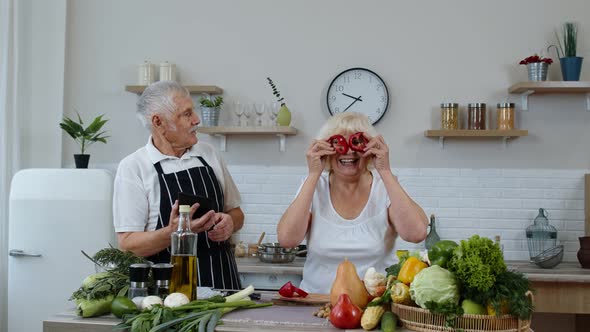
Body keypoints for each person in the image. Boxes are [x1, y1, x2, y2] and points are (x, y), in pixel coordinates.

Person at [277, 112, 427, 294]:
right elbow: (287, 239)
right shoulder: (314, 186)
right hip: (315, 303)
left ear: (370, 149)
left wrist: (385, 170)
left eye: (357, 143)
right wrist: (313, 174)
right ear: (326, 149)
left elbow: (417, 233)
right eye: (338, 143)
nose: (348, 150)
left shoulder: (385, 186)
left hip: (373, 306)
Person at [113, 81, 243, 289]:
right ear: (159, 122)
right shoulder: (134, 167)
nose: (196, 120)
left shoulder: (209, 154)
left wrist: (230, 223)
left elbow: (236, 213)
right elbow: (128, 245)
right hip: (168, 293)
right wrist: (174, 232)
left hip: (223, 284)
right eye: (186, 114)